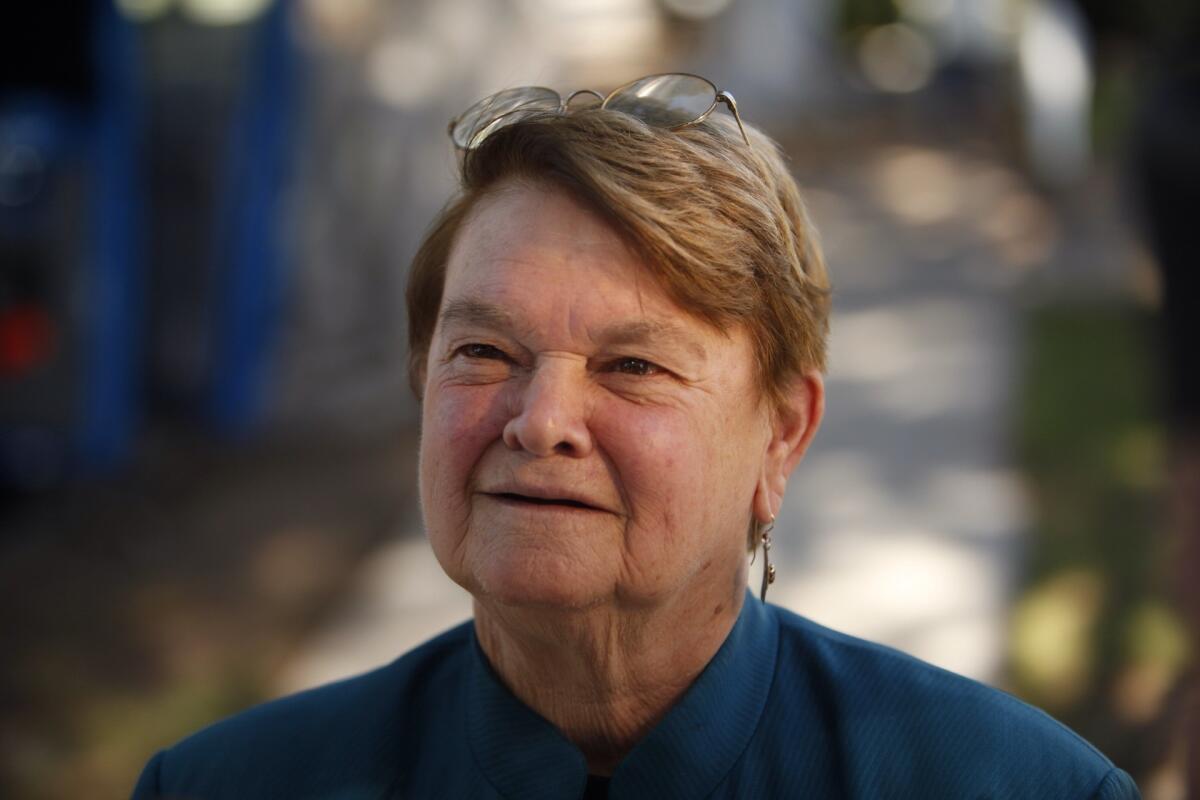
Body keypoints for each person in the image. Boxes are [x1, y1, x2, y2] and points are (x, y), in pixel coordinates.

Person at [132, 74, 1139, 799]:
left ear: (782, 435)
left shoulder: (1008, 783)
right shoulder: (225, 782)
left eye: (633, 365)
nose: (540, 421)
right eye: (484, 349)